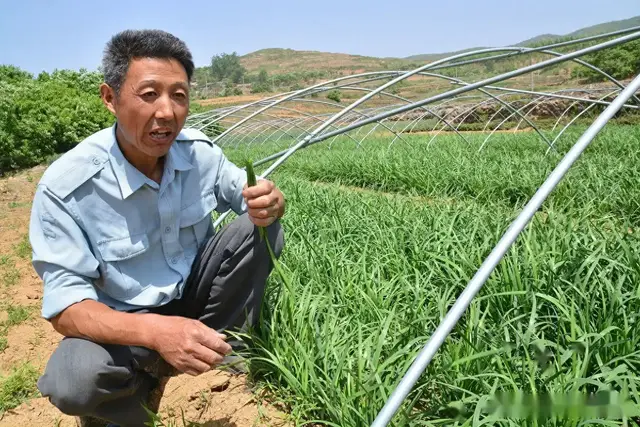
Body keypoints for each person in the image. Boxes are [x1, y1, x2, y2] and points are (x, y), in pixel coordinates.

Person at [28, 29, 285, 427]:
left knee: (262, 230)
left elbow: (248, 195)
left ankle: (216, 346)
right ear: (110, 98)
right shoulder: (67, 187)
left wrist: (269, 201)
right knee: (74, 379)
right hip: (122, 324)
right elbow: (65, 309)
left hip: (192, 299)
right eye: (149, 94)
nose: (167, 112)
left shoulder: (198, 154)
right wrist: (154, 331)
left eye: (178, 95)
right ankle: (131, 395)